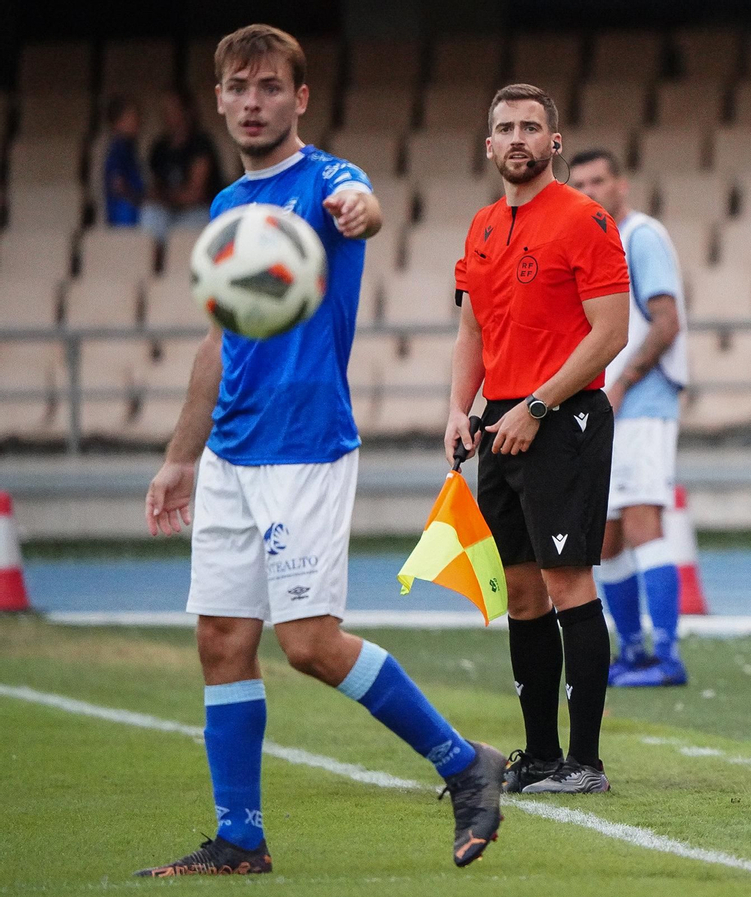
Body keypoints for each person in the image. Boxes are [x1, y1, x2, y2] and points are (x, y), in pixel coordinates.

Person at [140, 24, 503, 877]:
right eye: (239, 87)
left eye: (271, 87)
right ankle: (239, 839)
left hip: (305, 448)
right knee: (223, 639)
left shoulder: (330, 180)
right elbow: (218, 341)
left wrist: (357, 213)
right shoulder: (228, 209)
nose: (254, 101)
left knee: (307, 643)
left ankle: (465, 763)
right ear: (220, 98)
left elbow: (368, 209)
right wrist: (180, 455)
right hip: (230, 454)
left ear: (299, 98)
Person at [447, 84, 630, 796]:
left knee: (565, 583)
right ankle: (542, 754)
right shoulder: (481, 226)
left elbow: (611, 333)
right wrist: (458, 410)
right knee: (519, 591)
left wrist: (536, 404)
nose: (517, 137)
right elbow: (471, 330)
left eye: (530, 126)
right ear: (488, 144)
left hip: (565, 421)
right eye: (504, 127)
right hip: (499, 425)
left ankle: (586, 762)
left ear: (554, 141)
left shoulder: (585, 219)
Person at [568, 147, 692, 689]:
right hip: (609, 408)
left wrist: (619, 384)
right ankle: (635, 651)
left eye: (599, 181)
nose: (590, 192)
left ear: (622, 185)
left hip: (642, 406)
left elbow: (666, 322)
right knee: (608, 535)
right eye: (580, 184)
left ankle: (666, 655)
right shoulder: (598, 243)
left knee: (642, 521)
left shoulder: (640, 236)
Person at [143, 90, 224, 240]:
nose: (168, 115)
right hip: (168, 210)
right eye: (165, 110)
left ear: (186, 111)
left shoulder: (201, 143)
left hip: (198, 210)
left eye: (173, 109)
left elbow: (195, 193)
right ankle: (153, 262)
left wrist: (168, 197)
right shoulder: (159, 146)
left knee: (186, 229)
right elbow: (154, 189)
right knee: (150, 213)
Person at [103, 95, 144, 227]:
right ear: (118, 122)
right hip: (124, 213)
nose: (137, 121)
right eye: (131, 117)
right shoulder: (117, 149)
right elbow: (117, 183)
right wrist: (139, 199)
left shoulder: (130, 148)